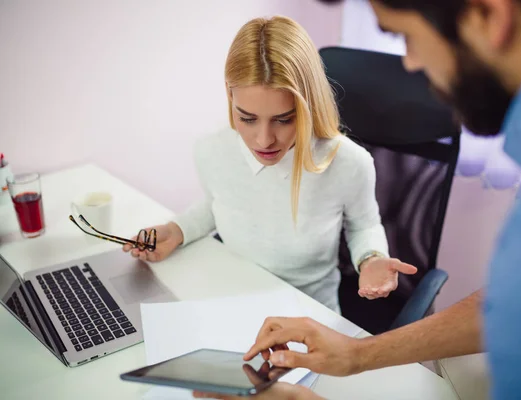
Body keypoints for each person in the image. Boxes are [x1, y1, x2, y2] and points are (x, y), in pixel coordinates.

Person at [197, 0, 521, 399]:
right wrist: (357, 355)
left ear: (488, 14)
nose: (408, 64)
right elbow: (517, 307)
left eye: (403, 35)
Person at [122, 16, 417, 314]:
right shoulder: (211, 151)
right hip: (234, 300)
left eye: (284, 119)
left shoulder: (348, 163)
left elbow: (363, 225)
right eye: (247, 118)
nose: (263, 140)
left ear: (308, 104)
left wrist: (372, 259)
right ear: (229, 94)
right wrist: (178, 230)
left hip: (310, 313)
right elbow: (220, 203)